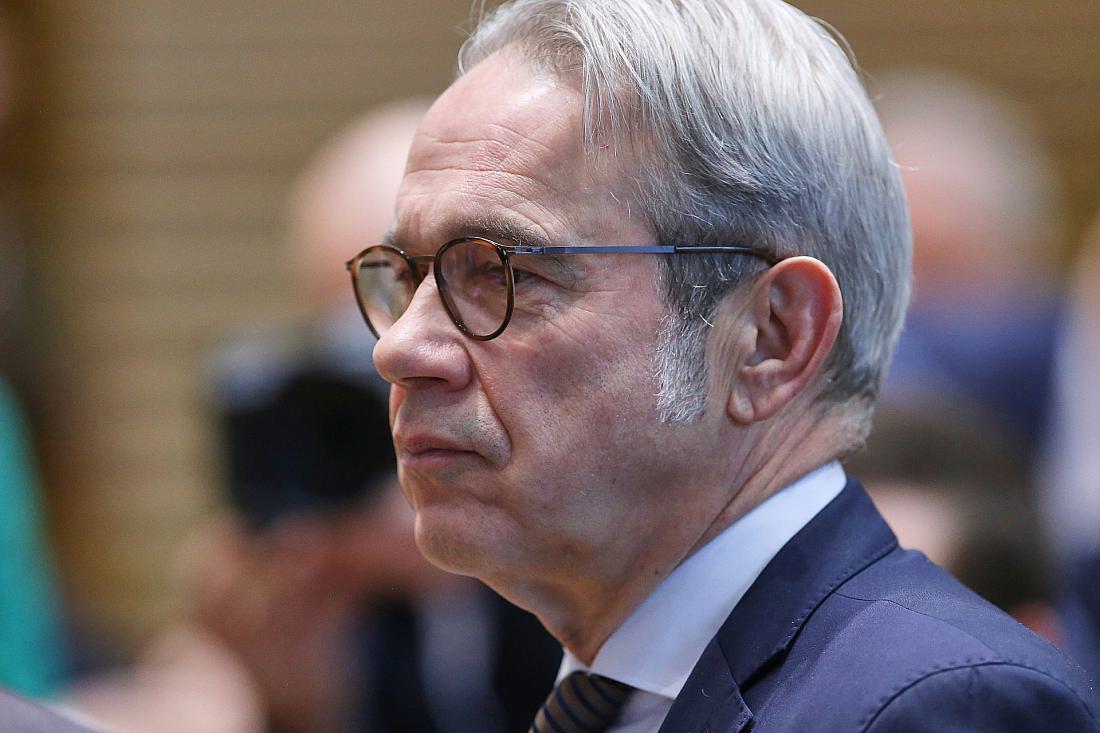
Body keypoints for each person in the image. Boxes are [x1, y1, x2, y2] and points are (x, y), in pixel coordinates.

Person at [345, 1, 1100, 731]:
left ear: (770, 339)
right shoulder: (603, 692)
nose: (399, 348)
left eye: (500, 272)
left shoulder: (939, 707)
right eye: (406, 276)